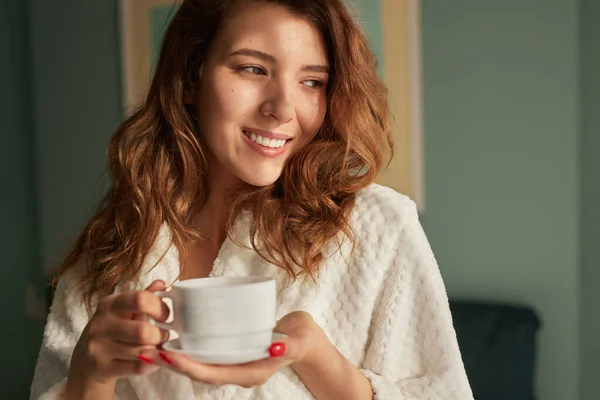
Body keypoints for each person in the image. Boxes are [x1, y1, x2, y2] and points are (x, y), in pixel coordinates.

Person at [30, 0, 474, 399]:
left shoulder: (378, 227)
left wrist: (318, 359)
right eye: (253, 69)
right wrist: (90, 375)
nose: (283, 107)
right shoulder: (119, 238)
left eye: (312, 82)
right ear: (190, 77)